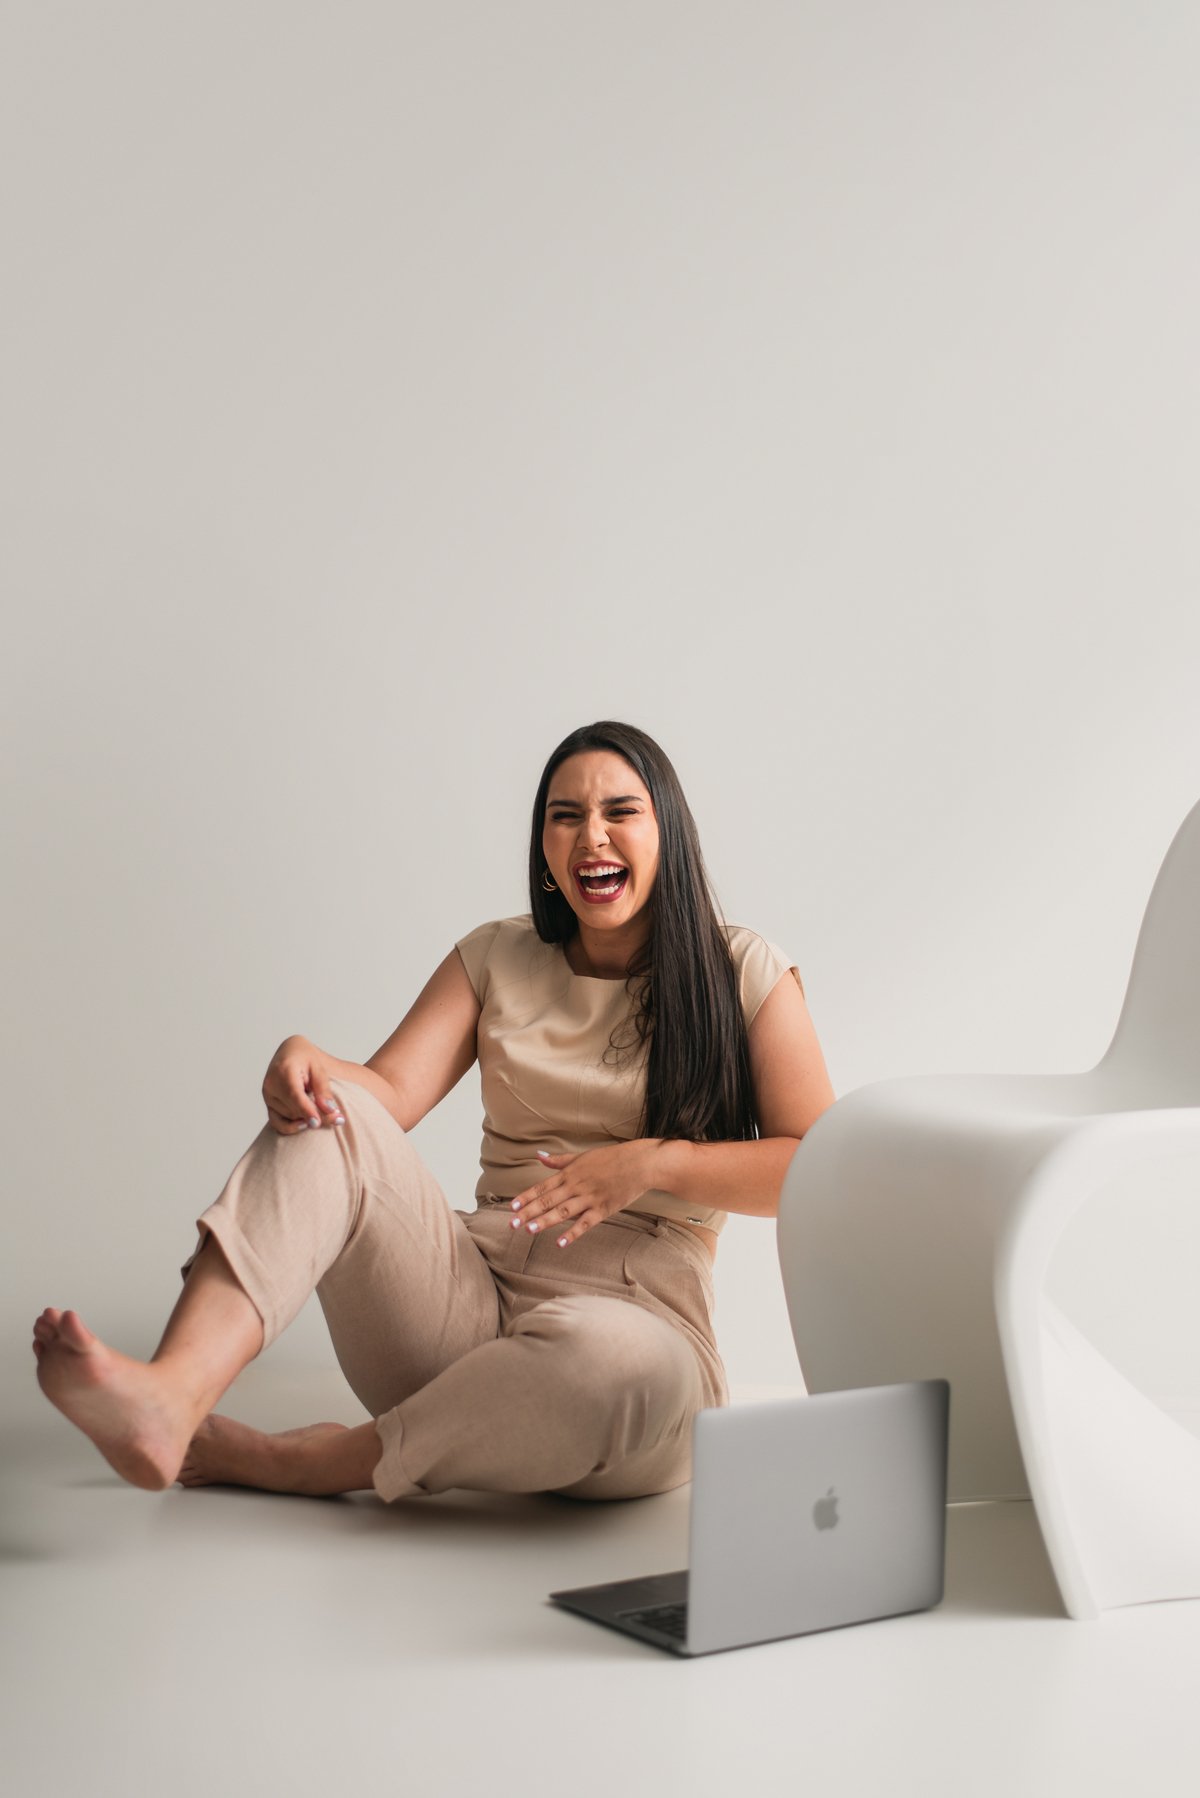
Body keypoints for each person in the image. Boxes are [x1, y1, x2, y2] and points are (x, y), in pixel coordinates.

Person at [32, 721, 835, 1504]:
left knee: (608, 1363)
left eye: (620, 811)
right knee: (329, 1116)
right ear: (545, 848)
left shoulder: (743, 970)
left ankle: (316, 1461)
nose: (592, 836)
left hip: (640, 1332)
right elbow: (386, 1094)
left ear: (669, 836)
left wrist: (655, 1162)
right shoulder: (495, 955)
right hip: (462, 1304)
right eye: (565, 816)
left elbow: (819, 1165)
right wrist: (309, 1061)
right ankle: (171, 1396)